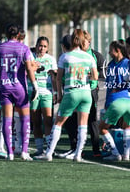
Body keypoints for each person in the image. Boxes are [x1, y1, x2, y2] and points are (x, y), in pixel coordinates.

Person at [38, 29, 98, 162]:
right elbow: (95, 76)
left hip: (72, 92)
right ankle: (78, 154)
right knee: (83, 124)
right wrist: (86, 76)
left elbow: (58, 78)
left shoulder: (65, 57)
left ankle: (49, 153)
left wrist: (59, 94)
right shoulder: (88, 56)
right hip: (86, 92)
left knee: (58, 123)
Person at [0, 24, 38, 161]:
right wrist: (34, 85)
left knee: (7, 120)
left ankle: (9, 153)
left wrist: (1, 67)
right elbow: (30, 68)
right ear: (18, 35)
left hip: (5, 87)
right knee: (25, 119)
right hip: (20, 87)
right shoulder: (23, 48)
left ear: (6, 34)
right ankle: (24, 152)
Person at [100, 40, 130, 161]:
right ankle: (126, 155)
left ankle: (116, 154)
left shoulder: (128, 63)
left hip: (120, 101)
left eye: (111, 50)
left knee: (102, 128)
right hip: (129, 103)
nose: (109, 52)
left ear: (118, 50)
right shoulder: (111, 65)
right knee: (125, 126)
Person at [29, 36, 57, 156]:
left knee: (48, 121)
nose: (42, 48)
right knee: (35, 121)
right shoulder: (30, 57)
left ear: (48, 48)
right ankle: (40, 148)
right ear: (36, 46)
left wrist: (56, 92)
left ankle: (50, 148)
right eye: (40, 45)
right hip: (33, 92)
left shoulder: (50, 59)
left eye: (45, 46)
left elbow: (54, 77)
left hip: (47, 93)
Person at [83, 31, 105, 157]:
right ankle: (76, 148)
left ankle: (96, 150)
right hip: (76, 90)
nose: (81, 44)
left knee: (92, 120)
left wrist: (92, 76)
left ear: (89, 42)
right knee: (75, 120)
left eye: (84, 41)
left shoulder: (96, 55)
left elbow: (102, 75)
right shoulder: (75, 54)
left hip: (91, 91)